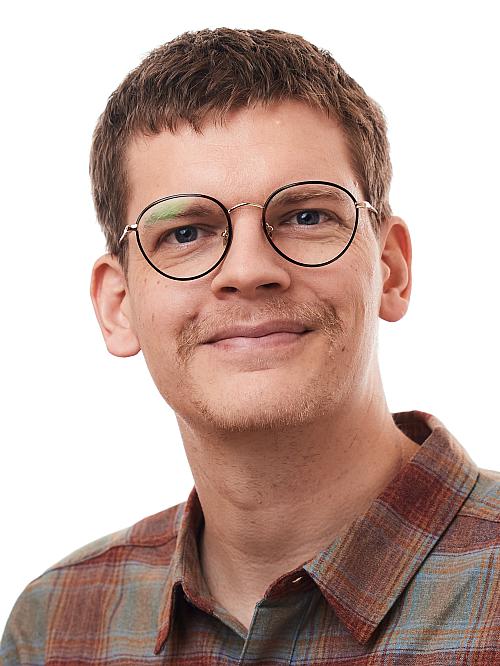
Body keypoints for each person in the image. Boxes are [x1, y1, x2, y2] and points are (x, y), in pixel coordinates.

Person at [1, 27, 499, 665]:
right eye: (186, 232)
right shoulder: (54, 627)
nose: (248, 269)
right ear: (118, 305)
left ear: (391, 270)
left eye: (306, 216)